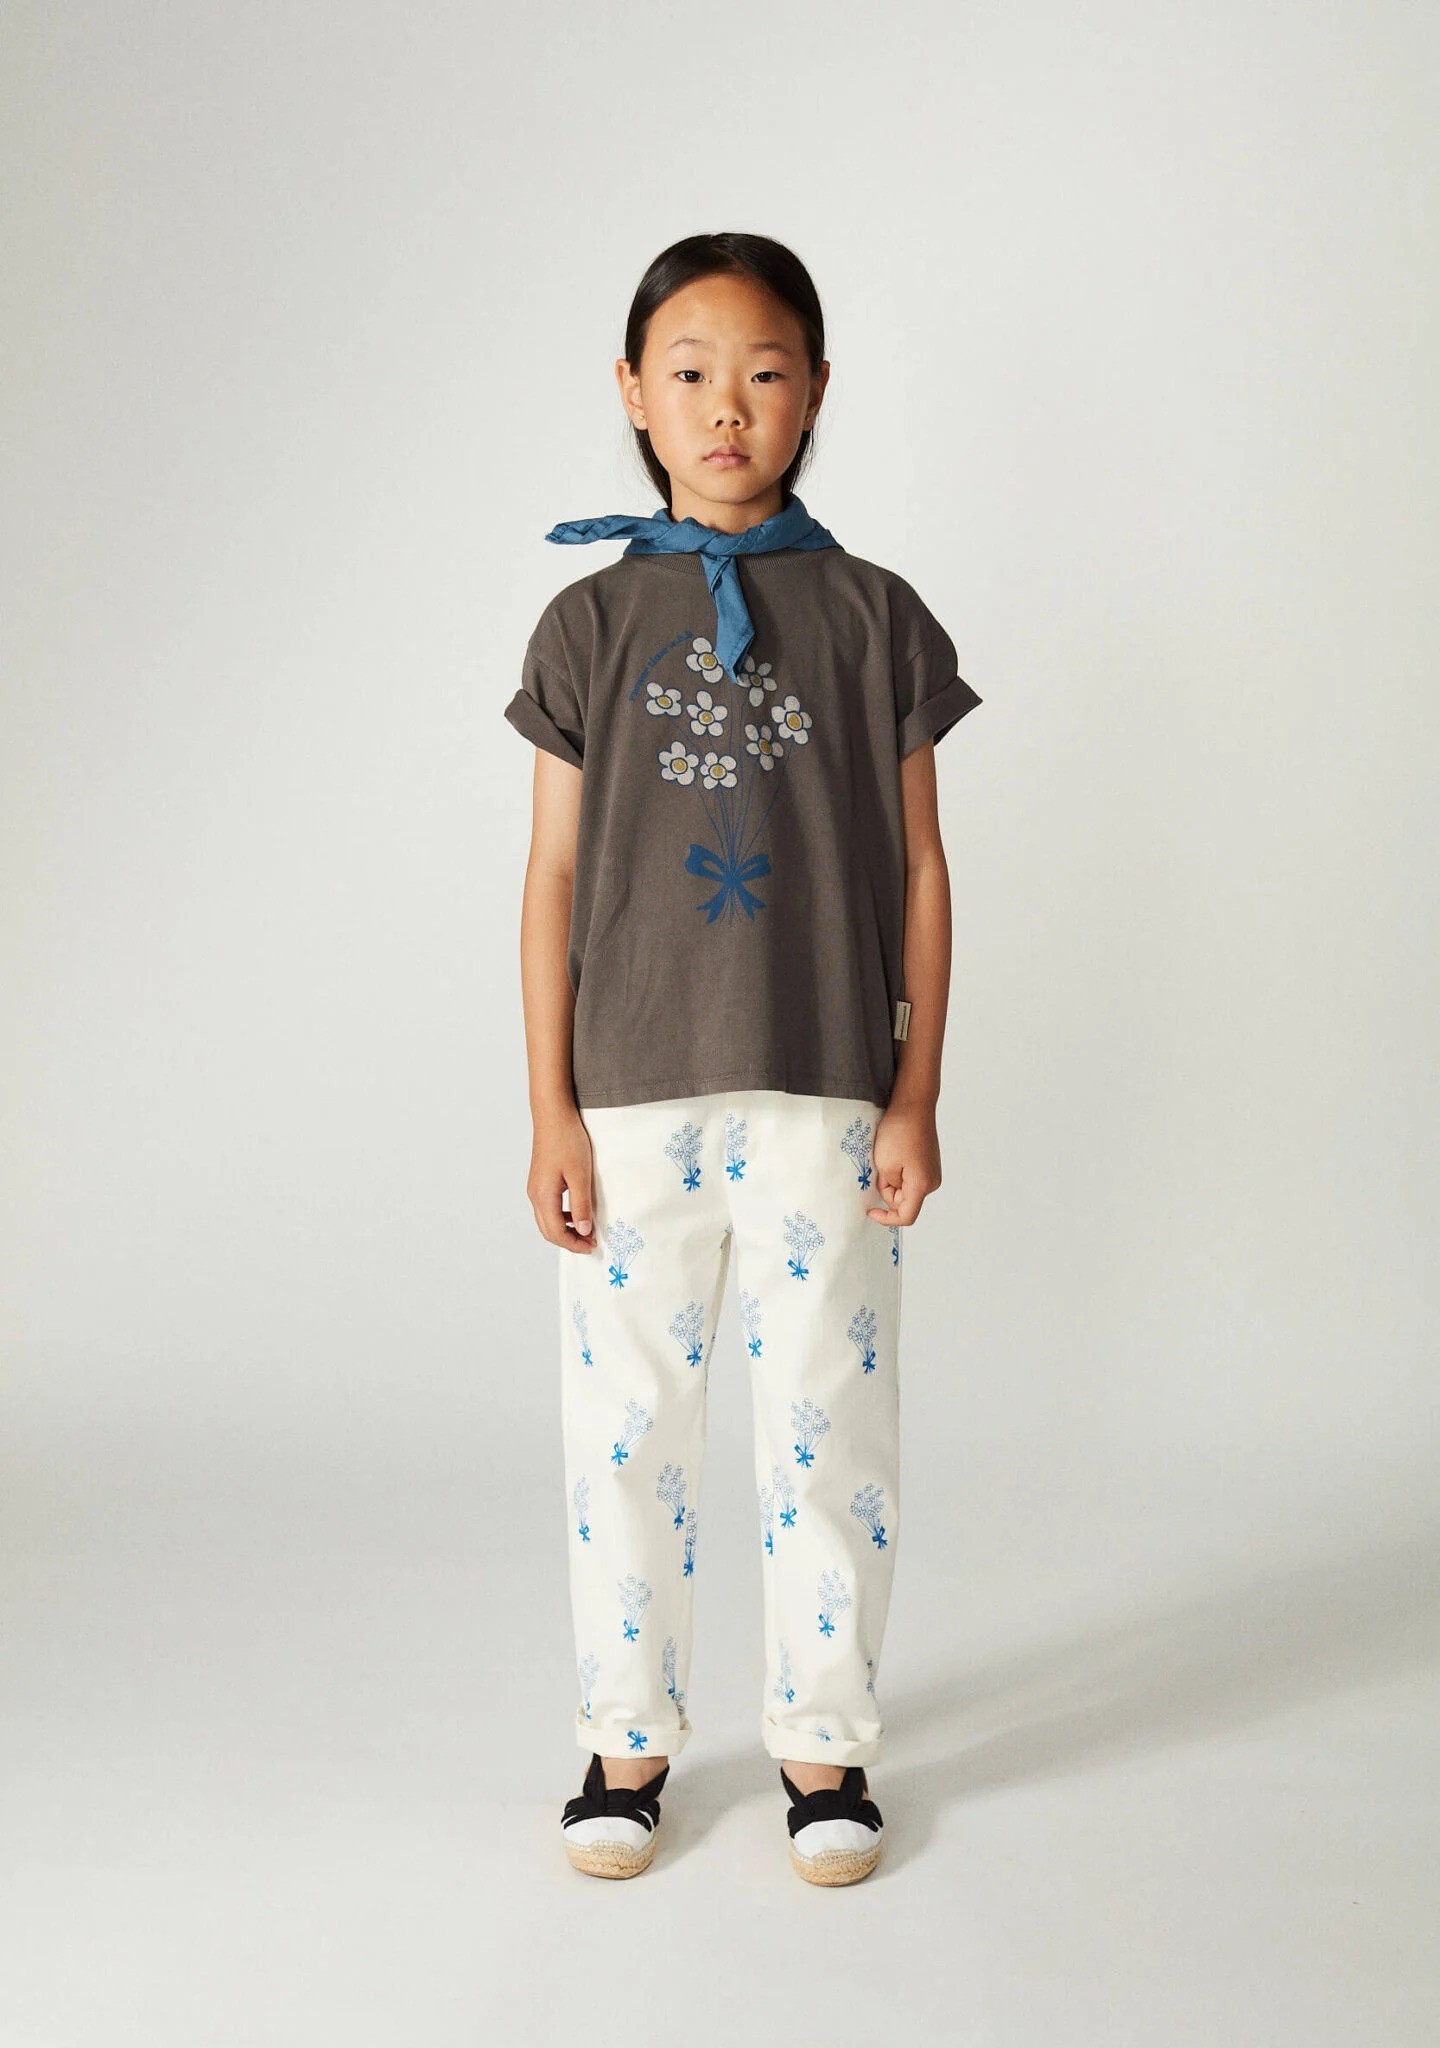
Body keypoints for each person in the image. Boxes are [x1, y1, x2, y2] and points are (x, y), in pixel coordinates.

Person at [503, 231, 983, 1885]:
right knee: (624, 1429)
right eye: (692, 373)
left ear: (817, 393)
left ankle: (822, 1747)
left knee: (829, 1426)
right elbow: (552, 878)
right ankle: (626, 1738)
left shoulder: (875, 617)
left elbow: (922, 867)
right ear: (633, 394)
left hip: (827, 1093)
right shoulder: (586, 622)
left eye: (766, 373)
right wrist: (550, 1109)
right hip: (628, 1099)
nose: (728, 408)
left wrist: (915, 1093)